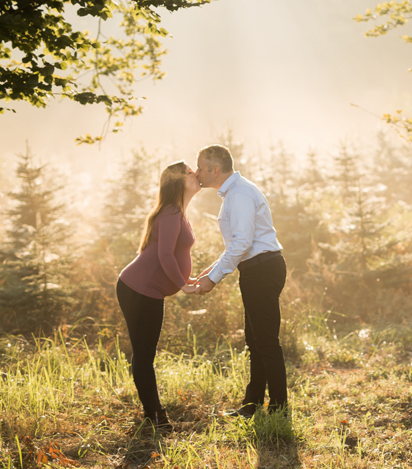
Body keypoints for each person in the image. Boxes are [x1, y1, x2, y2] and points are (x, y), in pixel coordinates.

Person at [191, 144, 288, 418]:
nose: (197, 173)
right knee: (255, 340)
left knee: (265, 341)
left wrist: (214, 278)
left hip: (262, 269)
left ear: (215, 170)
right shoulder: (234, 192)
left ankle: (280, 410)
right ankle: (252, 405)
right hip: (256, 268)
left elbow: (243, 243)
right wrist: (208, 271)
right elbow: (238, 244)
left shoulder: (240, 194)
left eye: (200, 168)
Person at [116, 161, 201, 431]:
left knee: (144, 354)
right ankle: (155, 417)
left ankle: (153, 415)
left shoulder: (177, 211)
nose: (196, 174)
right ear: (178, 181)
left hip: (144, 289)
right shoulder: (171, 211)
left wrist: (186, 278)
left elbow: (172, 253)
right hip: (139, 289)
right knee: (144, 355)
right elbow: (164, 254)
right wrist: (183, 285)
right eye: (190, 172)